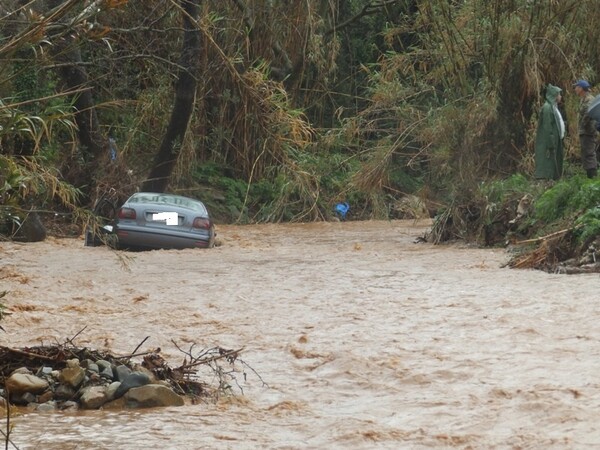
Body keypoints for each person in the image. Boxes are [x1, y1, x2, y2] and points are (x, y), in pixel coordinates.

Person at [534, 84, 565, 180]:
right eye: (559, 94)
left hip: (557, 138)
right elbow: (547, 127)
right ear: (554, 95)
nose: (560, 96)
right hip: (551, 140)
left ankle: (555, 179)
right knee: (549, 161)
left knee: (555, 160)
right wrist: (551, 141)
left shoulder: (553, 107)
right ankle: (548, 179)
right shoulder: (547, 108)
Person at [573, 79, 598, 178]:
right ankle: (590, 176)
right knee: (586, 153)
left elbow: (588, 114)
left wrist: (582, 125)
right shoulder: (583, 99)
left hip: (589, 131)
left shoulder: (589, 99)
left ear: (581, 88)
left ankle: (593, 178)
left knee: (589, 154)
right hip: (585, 131)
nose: (575, 89)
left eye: (576, 87)